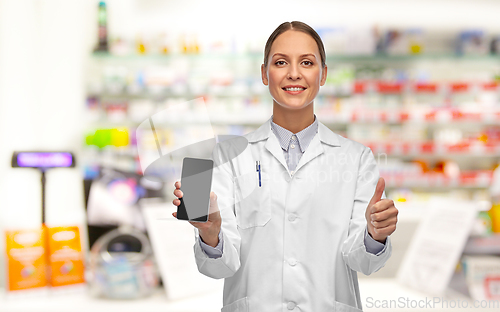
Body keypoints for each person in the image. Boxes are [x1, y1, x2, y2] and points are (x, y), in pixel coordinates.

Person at [172, 21, 398, 312]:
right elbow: (220, 268)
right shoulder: (229, 156)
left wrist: (374, 234)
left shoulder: (356, 158)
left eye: (307, 62)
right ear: (265, 74)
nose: (294, 73)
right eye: (281, 62)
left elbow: (362, 262)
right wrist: (211, 231)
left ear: (323, 74)